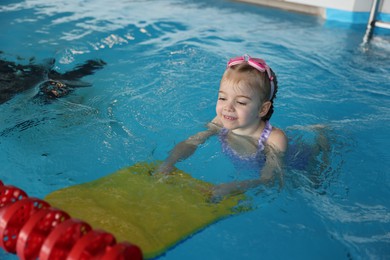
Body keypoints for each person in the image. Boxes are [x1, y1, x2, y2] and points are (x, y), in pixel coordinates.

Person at [158, 54, 288, 201]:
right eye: (223, 98)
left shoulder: (274, 139)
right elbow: (192, 142)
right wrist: (169, 162)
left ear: (262, 109)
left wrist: (236, 187)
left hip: (298, 162)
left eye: (241, 102)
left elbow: (268, 179)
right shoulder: (220, 121)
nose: (228, 107)